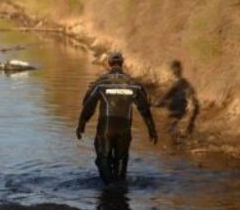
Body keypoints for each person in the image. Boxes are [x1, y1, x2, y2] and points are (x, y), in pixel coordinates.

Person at [76, 52, 157, 184]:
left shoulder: (100, 83)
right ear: (122, 63)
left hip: (106, 127)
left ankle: (109, 187)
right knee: (121, 159)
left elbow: (87, 105)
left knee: (103, 158)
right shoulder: (134, 84)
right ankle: (120, 188)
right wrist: (152, 130)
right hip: (124, 128)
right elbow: (145, 109)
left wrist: (81, 125)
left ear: (109, 63)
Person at [156, 60, 200, 142]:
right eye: (173, 69)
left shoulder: (180, 83)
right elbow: (167, 96)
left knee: (176, 132)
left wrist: (156, 103)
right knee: (177, 132)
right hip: (187, 110)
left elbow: (166, 96)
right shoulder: (182, 82)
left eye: (175, 69)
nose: (174, 71)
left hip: (188, 110)